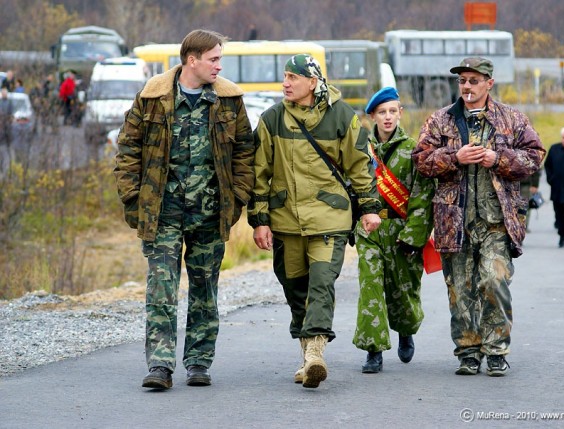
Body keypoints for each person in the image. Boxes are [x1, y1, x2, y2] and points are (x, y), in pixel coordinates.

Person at [114, 29, 255, 390]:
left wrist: (237, 198)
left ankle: (198, 362)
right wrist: (132, 199)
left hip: (210, 213)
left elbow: (244, 153)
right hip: (162, 212)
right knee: (161, 287)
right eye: (213, 59)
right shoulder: (152, 98)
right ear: (191, 60)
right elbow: (128, 150)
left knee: (205, 289)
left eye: (220, 59)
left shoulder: (228, 100)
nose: (219, 66)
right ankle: (160, 365)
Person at [248, 53, 382, 388]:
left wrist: (369, 208)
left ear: (313, 82)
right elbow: (258, 174)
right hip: (286, 220)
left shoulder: (341, 116)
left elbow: (360, 166)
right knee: (295, 289)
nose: (286, 83)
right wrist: (259, 220)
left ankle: (316, 354)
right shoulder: (271, 119)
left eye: (293, 77)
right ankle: (307, 353)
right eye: (284, 76)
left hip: (329, 217)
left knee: (321, 283)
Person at [412, 57, 545, 377]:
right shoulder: (441, 120)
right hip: (453, 222)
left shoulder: (511, 119)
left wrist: (497, 158)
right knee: (460, 290)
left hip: (496, 221)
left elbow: (535, 157)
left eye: (474, 80)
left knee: (494, 281)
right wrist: (453, 157)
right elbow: (420, 160)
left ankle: (496, 349)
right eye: (463, 81)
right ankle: (468, 352)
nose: (467, 87)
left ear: (489, 83)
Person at [352, 87, 435, 374]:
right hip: (370, 230)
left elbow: (423, 195)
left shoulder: (414, 149)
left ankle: (405, 330)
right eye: (381, 112)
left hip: (402, 231)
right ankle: (373, 350)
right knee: (370, 288)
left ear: (400, 113)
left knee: (404, 291)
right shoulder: (361, 151)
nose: (387, 117)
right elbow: (351, 189)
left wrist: (414, 236)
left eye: (392, 111)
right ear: (372, 116)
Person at [519, 168, 541, 233]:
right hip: (512, 184)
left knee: (524, 208)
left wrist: (535, 185)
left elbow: (535, 167)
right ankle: (521, 227)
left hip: (525, 185)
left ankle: (522, 227)